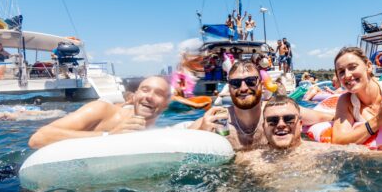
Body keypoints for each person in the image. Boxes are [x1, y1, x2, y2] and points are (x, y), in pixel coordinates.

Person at [192, 60, 333, 149]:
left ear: (261, 85)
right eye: (235, 83)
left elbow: (327, 117)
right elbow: (180, 142)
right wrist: (201, 136)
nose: (243, 88)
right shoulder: (217, 118)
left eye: (251, 81)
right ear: (229, 88)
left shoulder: (277, 113)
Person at [28, 76, 170, 149]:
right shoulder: (102, 110)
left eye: (158, 93)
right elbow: (37, 139)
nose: (149, 96)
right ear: (135, 96)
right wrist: (109, 135)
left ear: (166, 105)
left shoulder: (157, 132)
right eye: (145, 90)